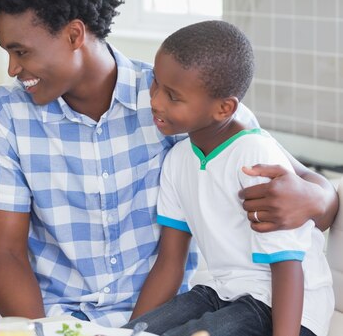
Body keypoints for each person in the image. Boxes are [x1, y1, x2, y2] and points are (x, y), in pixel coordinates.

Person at [0, 0, 338, 327]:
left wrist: (312, 197)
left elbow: (317, 194)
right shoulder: (5, 116)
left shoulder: (180, 98)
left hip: (172, 315)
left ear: (74, 34)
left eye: (22, 52)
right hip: (63, 321)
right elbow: (4, 254)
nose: (12, 69)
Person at [122, 20, 333, 336]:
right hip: (220, 290)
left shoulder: (254, 158)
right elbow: (169, 264)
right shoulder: (178, 160)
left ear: (224, 109)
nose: (155, 101)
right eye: (155, 84)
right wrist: (128, 331)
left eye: (173, 96)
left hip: (282, 305)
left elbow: (287, 267)